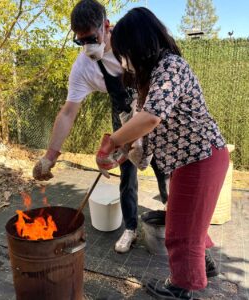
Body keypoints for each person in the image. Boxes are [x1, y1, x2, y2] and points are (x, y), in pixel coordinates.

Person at [96, 7, 229, 300]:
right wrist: (125, 153)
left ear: (138, 44)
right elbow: (143, 132)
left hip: (202, 157)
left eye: (123, 53)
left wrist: (111, 142)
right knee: (189, 220)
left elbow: (151, 118)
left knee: (180, 231)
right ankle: (203, 265)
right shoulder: (152, 77)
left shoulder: (171, 67)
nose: (122, 61)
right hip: (191, 161)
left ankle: (181, 288)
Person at [32, 0, 170, 253]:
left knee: (166, 170)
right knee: (127, 176)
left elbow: (160, 82)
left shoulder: (132, 41)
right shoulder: (83, 67)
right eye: (80, 41)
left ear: (106, 26)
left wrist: (144, 133)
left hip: (154, 111)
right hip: (124, 117)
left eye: (92, 38)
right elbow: (68, 112)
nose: (87, 46)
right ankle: (130, 229)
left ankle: (177, 229)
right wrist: (50, 156)